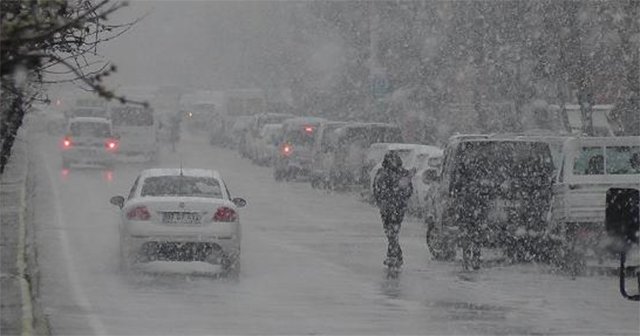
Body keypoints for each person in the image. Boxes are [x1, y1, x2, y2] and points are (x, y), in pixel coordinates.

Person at [373, 151, 414, 269]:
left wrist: (383, 200)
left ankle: (393, 255)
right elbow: (377, 189)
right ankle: (395, 255)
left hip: (393, 207)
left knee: (391, 232)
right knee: (392, 232)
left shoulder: (384, 173)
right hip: (394, 207)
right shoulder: (397, 173)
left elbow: (408, 189)